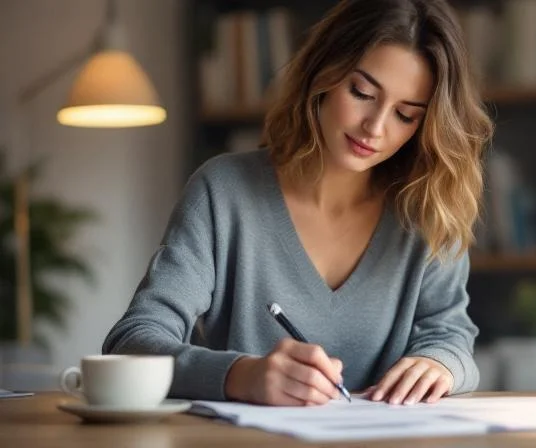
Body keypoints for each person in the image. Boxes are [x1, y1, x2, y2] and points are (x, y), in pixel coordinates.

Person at [103, 0, 493, 407]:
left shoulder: (427, 209)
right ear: (323, 75)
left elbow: (451, 335)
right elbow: (132, 342)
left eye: (406, 115)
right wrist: (239, 375)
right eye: (361, 92)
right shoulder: (224, 192)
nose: (375, 128)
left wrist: (441, 363)